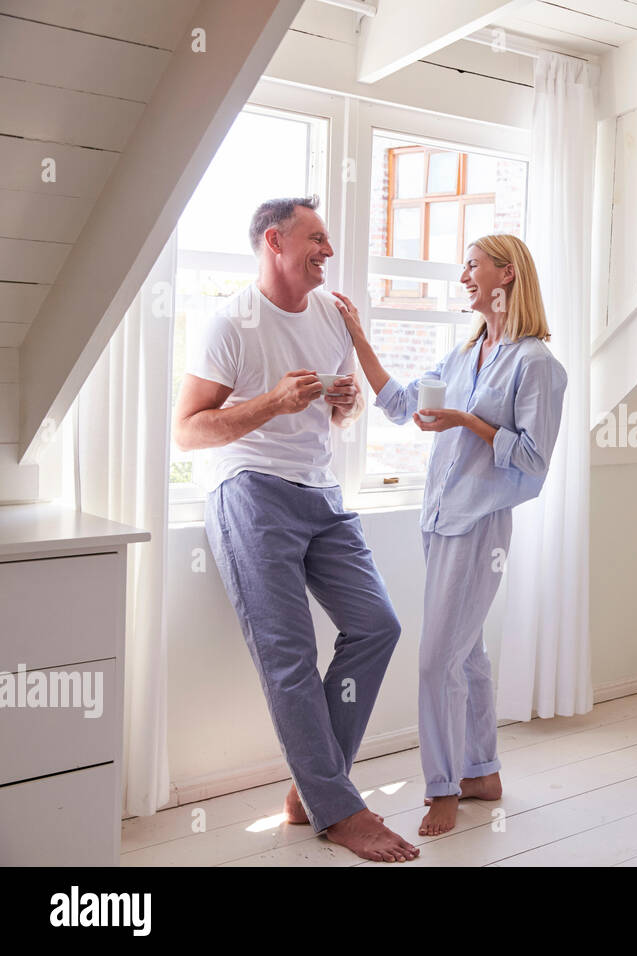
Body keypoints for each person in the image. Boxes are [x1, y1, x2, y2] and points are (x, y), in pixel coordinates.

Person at [173, 196, 418, 863]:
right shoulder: (229, 322)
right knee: (289, 657)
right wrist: (273, 402)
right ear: (274, 242)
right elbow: (188, 430)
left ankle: (317, 789)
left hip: (321, 493)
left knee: (378, 625)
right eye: (317, 239)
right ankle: (338, 809)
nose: (328, 251)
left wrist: (344, 405)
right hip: (250, 492)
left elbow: (338, 417)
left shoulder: (332, 314)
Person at [332, 233, 566, 837]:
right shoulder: (464, 353)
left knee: (437, 660)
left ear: (506, 274)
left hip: (481, 524)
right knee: (468, 653)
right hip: (438, 518)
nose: (464, 275)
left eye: (472, 265)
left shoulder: (536, 363)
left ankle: (443, 788)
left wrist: (467, 421)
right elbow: (402, 402)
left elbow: (535, 461)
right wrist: (358, 337)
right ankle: (481, 771)